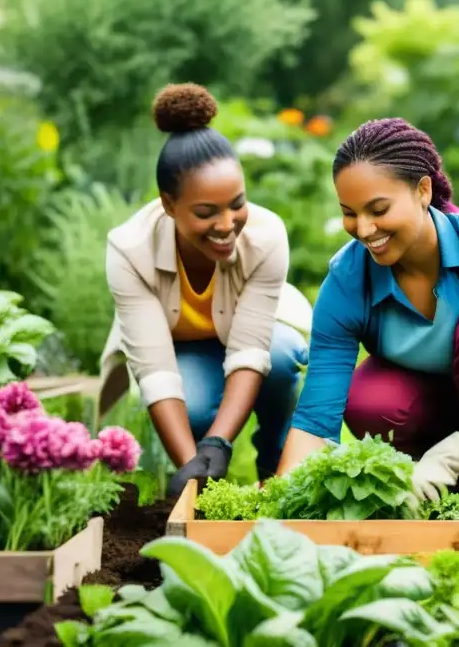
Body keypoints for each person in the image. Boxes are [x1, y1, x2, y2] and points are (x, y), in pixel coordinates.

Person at [274, 117, 459, 527]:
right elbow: (316, 420)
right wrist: (282, 509)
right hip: (416, 413)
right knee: (369, 397)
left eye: (378, 209)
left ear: (423, 190)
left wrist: (451, 456)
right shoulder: (348, 278)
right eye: (349, 214)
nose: (364, 229)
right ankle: (428, 498)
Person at [98, 83, 310, 497]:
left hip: (254, 338)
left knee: (281, 358)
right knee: (189, 405)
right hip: (181, 351)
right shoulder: (129, 250)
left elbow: (251, 349)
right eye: (205, 212)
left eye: (237, 203)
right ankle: (205, 485)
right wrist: (193, 470)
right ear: (169, 204)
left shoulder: (266, 237)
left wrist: (219, 443)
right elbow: (156, 373)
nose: (227, 223)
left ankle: (275, 464)